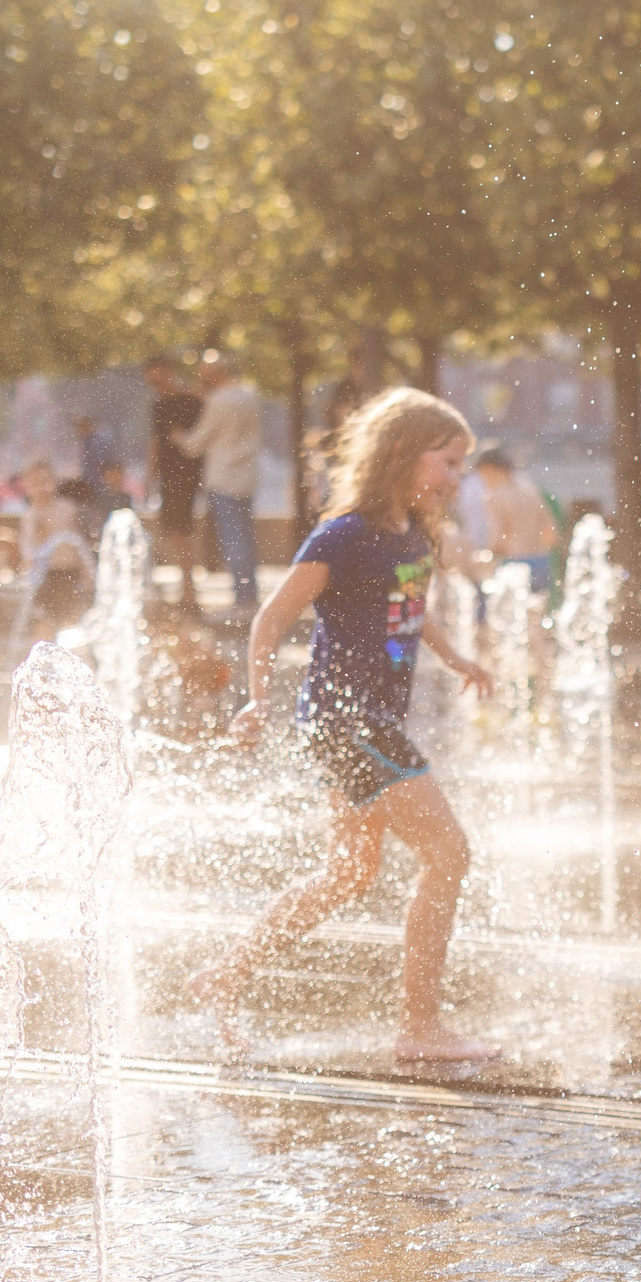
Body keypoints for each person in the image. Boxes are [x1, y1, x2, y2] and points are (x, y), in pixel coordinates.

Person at [185, 388, 500, 1065]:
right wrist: (257, 701)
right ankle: (420, 1026)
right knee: (448, 853)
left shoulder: (411, 535)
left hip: (367, 721)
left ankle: (226, 975)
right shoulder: (345, 535)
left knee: (350, 873)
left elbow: (413, 604)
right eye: (447, 461)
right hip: (346, 722)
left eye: (461, 464)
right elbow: (271, 619)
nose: (456, 477)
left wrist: (456, 658)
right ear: (401, 456)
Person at [179, 352, 265, 617]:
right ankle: (249, 595)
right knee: (245, 539)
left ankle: (244, 601)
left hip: (222, 478)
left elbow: (196, 443)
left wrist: (179, 437)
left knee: (233, 540)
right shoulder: (251, 397)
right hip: (247, 477)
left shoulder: (218, 402)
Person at [146, 358, 204, 612]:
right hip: (169, 477)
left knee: (180, 533)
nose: (157, 385)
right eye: (152, 381)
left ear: (171, 372)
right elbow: (157, 442)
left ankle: (190, 594)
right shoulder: (159, 405)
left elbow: (203, 440)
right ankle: (187, 591)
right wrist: (150, 476)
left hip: (187, 476)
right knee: (175, 533)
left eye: (159, 379)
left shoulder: (193, 401)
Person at [17, 461, 94, 637]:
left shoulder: (66, 508)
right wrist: (28, 561)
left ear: (55, 482)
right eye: (35, 483)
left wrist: (87, 571)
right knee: (44, 618)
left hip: (69, 571)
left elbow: (78, 542)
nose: (41, 487)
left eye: (45, 481)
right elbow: (27, 546)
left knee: (70, 617)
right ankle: (43, 652)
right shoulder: (30, 514)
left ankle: (66, 655)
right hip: (44, 574)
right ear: (27, 486)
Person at [470, 447, 562, 595]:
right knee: (537, 612)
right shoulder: (530, 490)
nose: (483, 481)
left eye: (483, 475)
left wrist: (484, 556)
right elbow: (552, 534)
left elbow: (499, 539)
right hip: (541, 561)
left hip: (514, 564)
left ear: (491, 469)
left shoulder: (493, 497)